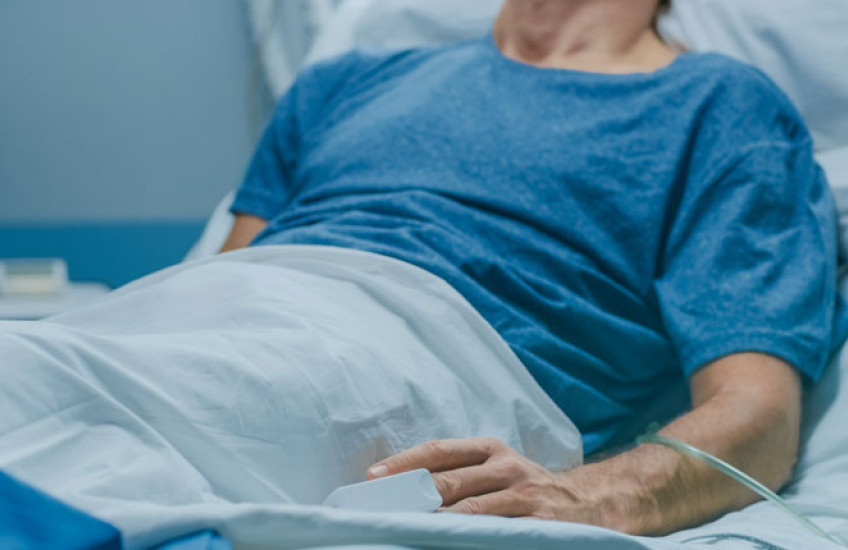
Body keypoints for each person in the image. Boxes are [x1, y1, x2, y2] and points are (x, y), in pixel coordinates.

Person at [220, 0, 847, 536]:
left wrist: (592, 495)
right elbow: (218, 291)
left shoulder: (724, 108)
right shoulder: (339, 83)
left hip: (413, 370)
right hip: (226, 340)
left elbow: (758, 415)